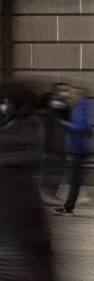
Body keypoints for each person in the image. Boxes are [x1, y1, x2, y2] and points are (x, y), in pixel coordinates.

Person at [54, 85, 92, 217]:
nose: (70, 96)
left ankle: (68, 207)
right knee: (74, 179)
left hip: (82, 149)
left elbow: (85, 127)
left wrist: (67, 125)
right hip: (77, 148)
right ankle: (68, 206)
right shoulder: (77, 107)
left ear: (80, 94)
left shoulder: (85, 107)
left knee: (75, 179)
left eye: (73, 94)